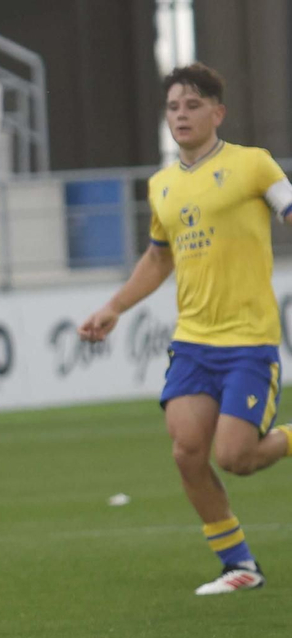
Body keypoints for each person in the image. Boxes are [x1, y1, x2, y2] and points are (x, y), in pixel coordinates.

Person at [80, 63, 292, 596]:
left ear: (217, 113)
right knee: (186, 451)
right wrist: (115, 307)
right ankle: (238, 564)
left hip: (249, 340)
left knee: (236, 457)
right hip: (194, 342)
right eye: (174, 106)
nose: (181, 114)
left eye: (193, 105)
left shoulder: (253, 166)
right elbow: (158, 259)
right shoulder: (162, 186)